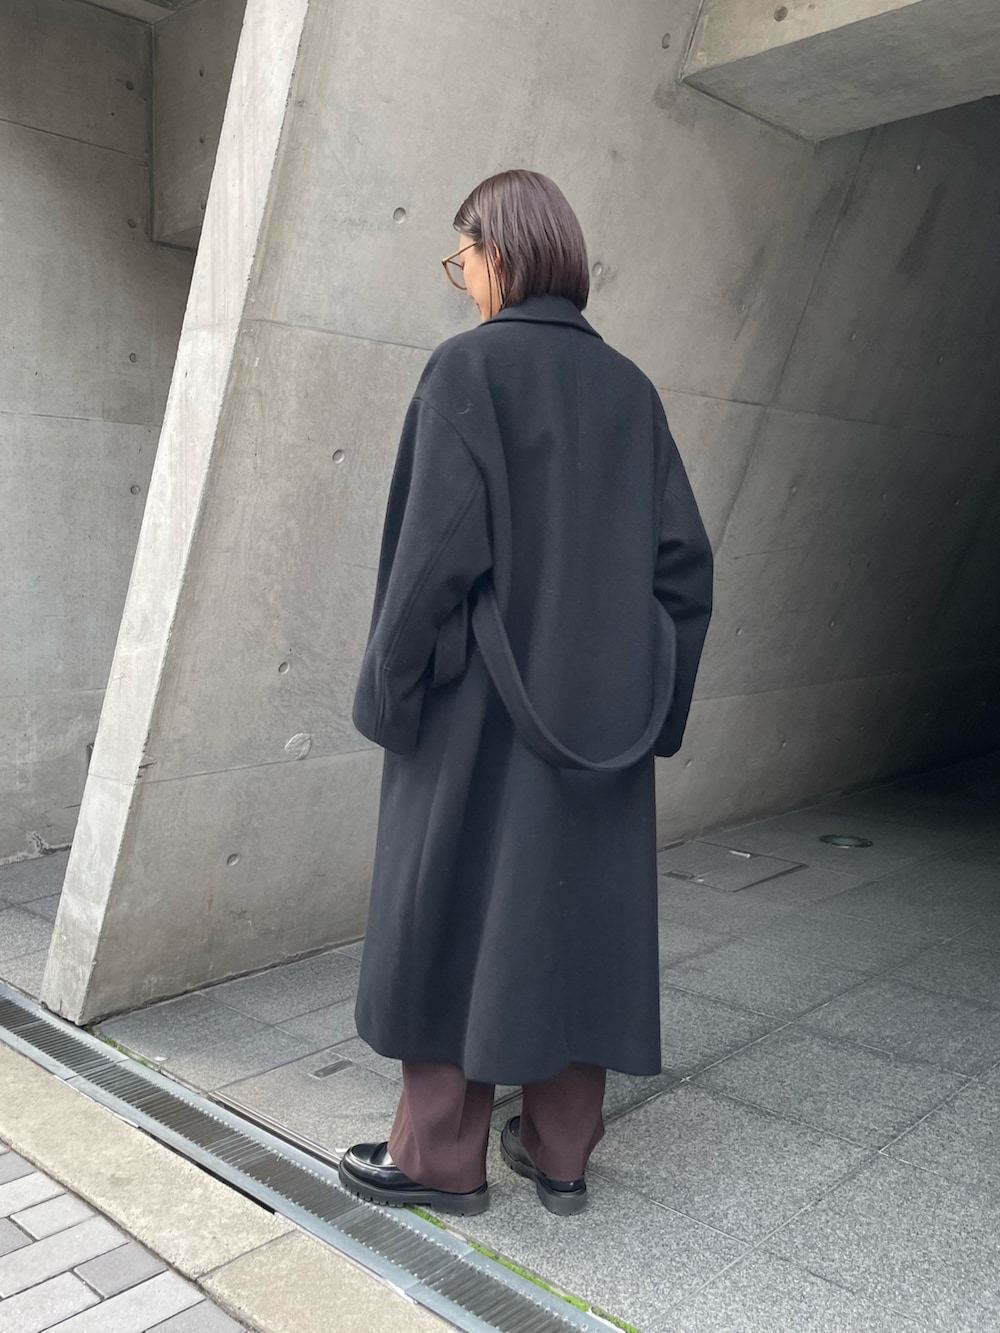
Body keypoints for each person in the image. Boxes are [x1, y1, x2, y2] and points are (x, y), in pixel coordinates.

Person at [338, 170, 713, 1218]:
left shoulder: (467, 370)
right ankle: (560, 1154)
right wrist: (652, 709)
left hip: (477, 716)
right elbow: (685, 570)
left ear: (496, 252)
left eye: (460, 258)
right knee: (573, 920)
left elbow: (429, 563)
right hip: (602, 730)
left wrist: (391, 697)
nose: (460, 278)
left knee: (452, 913)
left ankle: (438, 1157)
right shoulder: (632, 391)